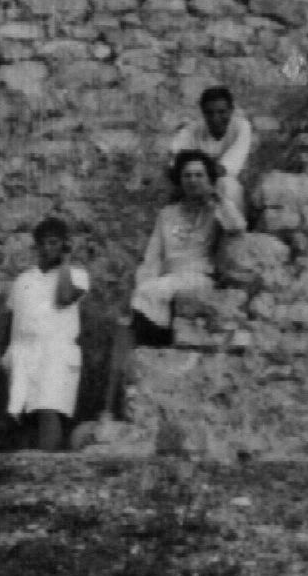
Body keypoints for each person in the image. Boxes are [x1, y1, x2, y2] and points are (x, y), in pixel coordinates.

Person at [101, 150, 246, 419]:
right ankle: (116, 401)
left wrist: (217, 198)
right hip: (167, 278)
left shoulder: (215, 209)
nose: (193, 180)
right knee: (139, 303)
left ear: (208, 178)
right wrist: (142, 286)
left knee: (152, 296)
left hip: (198, 276)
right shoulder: (168, 214)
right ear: (179, 181)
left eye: (199, 175)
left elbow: (238, 227)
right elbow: (153, 257)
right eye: (187, 176)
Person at [0, 217, 90, 453]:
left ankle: (47, 465)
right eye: (43, 244)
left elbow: (64, 297)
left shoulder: (77, 275)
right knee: (22, 411)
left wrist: (66, 261)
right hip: (24, 351)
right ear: (36, 246)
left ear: (64, 245)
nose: (48, 249)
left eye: (54, 243)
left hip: (57, 352)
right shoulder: (24, 279)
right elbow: (6, 317)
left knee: (49, 407)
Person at [167, 85, 252, 214]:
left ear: (231, 110)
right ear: (203, 113)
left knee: (227, 185)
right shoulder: (192, 130)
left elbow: (223, 170)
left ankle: (234, 232)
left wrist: (195, 167)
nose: (215, 118)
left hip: (227, 189)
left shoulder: (241, 127)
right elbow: (173, 162)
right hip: (198, 185)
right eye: (209, 113)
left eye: (221, 112)